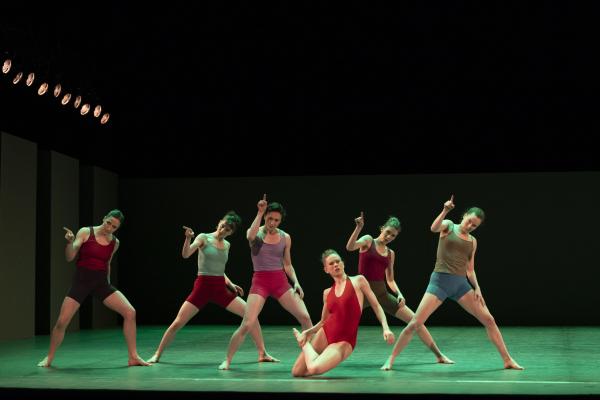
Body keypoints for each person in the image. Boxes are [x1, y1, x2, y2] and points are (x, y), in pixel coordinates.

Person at [381, 196, 524, 370]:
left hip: (461, 285)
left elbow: (470, 269)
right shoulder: (449, 226)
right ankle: (391, 359)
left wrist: (477, 288)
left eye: (474, 226)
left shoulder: (473, 241)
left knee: (489, 319)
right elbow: (433, 228)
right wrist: (445, 210)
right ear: (464, 216)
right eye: (469, 221)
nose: (470, 226)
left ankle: (507, 360)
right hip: (439, 282)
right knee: (415, 323)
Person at [147, 212, 277, 364]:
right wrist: (188, 238)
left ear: (231, 232)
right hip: (202, 288)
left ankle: (262, 353)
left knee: (251, 315)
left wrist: (230, 283)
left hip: (220, 288)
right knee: (178, 322)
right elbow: (186, 254)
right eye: (223, 226)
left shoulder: (227, 245)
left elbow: (220, 269)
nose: (223, 230)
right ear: (219, 222)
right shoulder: (204, 238)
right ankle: (157, 354)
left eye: (227, 229)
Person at [38, 210, 149, 367]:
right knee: (62, 322)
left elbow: (107, 263)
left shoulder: (115, 242)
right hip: (81, 282)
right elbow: (70, 257)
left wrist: (108, 286)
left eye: (114, 227)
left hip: (101, 284)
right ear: (104, 218)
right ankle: (49, 357)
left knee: (130, 312)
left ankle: (133, 357)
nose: (109, 228)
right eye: (108, 223)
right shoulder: (85, 232)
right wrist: (70, 243)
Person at [219, 195, 313, 370]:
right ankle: (228, 360)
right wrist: (260, 212)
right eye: (270, 218)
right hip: (260, 282)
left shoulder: (285, 237)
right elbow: (249, 235)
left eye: (276, 220)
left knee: (306, 317)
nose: (272, 223)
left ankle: (311, 356)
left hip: (280, 282)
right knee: (247, 323)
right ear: (265, 217)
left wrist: (296, 282)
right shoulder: (257, 233)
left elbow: (288, 264)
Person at [346, 212, 453, 364]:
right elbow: (350, 247)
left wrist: (399, 294)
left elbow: (390, 279)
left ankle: (439, 355)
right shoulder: (368, 241)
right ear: (382, 228)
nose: (389, 237)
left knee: (416, 321)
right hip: (363, 294)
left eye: (393, 236)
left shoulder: (391, 253)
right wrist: (358, 228)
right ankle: (317, 350)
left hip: (382, 294)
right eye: (388, 232)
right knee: (338, 319)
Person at [291, 249, 394, 377]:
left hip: (344, 341)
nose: (335, 265)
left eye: (338, 261)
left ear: (343, 264)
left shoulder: (358, 281)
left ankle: (304, 344)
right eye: (331, 263)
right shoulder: (327, 293)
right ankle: (305, 343)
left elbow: (376, 306)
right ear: (326, 269)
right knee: (297, 372)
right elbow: (323, 321)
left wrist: (386, 328)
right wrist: (308, 332)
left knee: (313, 368)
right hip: (325, 333)